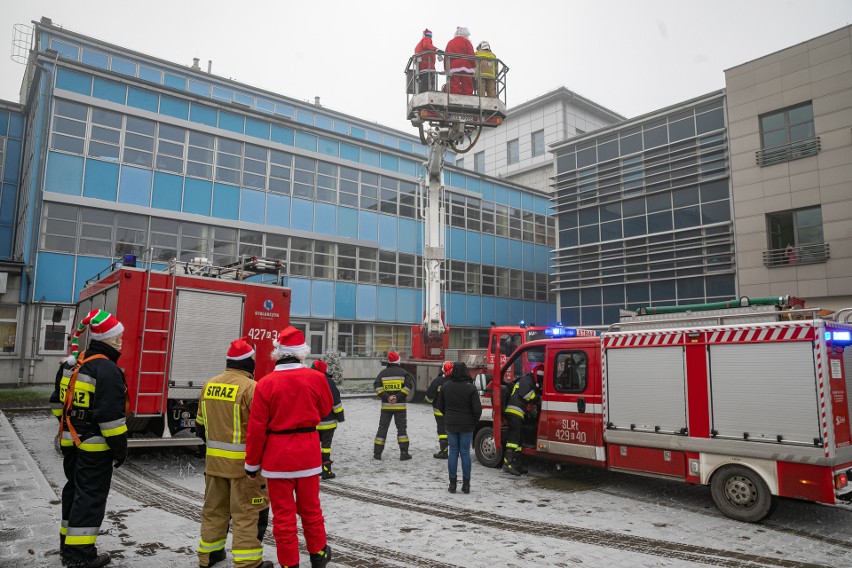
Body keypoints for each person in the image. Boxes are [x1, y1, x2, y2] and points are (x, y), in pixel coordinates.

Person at [245, 327, 333, 568]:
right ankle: (319, 555)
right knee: (311, 510)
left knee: (283, 518)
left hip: (277, 460)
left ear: (279, 354)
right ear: (301, 354)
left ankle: (289, 564)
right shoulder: (317, 378)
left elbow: (256, 430)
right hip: (307, 456)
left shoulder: (264, 383)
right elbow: (325, 410)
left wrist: (251, 465)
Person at [50, 309, 128, 568]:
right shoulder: (107, 369)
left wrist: (73, 426)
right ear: (111, 339)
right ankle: (80, 555)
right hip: (94, 447)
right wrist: (120, 451)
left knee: (74, 491)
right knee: (91, 497)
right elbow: (112, 420)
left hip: (70, 442)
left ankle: (67, 545)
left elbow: (57, 406)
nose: (121, 342)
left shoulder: (72, 364)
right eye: (119, 338)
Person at [196, 337, 272, 568]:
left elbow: (200, 426)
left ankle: (210, 556)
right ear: (249, 362)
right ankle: (248, 563)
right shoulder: (252, 388)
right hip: (245, 469)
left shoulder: (210, 385)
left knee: (214, 511)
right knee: (248, 513)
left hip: (214, 465)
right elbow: (262, 430)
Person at [436, 362, 482, 494]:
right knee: (465, 453)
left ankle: (452, 485)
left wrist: (448, 416)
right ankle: (466, 485)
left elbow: (440, 405)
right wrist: (473, 421)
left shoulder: (446, 386)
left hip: (451, 423)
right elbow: (477, 409)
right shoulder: (471, 388)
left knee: (453, 452)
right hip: (467, 425)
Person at [373, 351, 415, 460]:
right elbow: (408, 387)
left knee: (382, 428)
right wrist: (397, 397)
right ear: (398, 361)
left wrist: (387, 397)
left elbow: (377, 387)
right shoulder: (404, 373)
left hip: (386, 407)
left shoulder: (382, 373)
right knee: (401, 430)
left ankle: (377, 454)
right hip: (400, 407)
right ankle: (404, 453)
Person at [503, 363, 543, 476]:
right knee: (513, 439)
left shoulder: (528, 380)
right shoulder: (527, 379)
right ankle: (507, 464)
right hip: (514, 411)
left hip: (518, 412)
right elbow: (524, 393)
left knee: (518, 440)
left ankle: (516, 464)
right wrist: (537, 398)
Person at [312, 359, 345, 480]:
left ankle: (314, 470)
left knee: (314, 447)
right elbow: (336, 402)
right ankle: (326, 470)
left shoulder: (308, 380)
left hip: (312, 423)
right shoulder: (329, 382)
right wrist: (340, 417)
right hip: (328, 422)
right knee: (326, 447)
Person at [425, 361, 453, 459]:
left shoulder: (437, 381)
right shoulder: (456, 381)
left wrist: (433, 403)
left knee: (442, 431)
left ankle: (444, 452)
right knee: (453, 430)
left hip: (439, 412)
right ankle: (455, 451)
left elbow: (429, 397)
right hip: (453, 412)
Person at [445, 26, 476, 95]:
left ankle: (455, 95)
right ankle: (468, 96)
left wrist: (446, 69)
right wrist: (474, 66)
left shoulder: (450, 42)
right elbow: (471, 55)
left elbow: (446, 57)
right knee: (467, 83)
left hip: (454, 66)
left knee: (454, 83)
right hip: (466, 65)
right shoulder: (467, 42)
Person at [414, 28, 441, 93]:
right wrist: (436, 49)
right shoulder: (426, 39)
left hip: (421, 67)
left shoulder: (418, 45)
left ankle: (422, 93)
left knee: (423, 83)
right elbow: (426, 45)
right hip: (427, 66)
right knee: (429, 83)